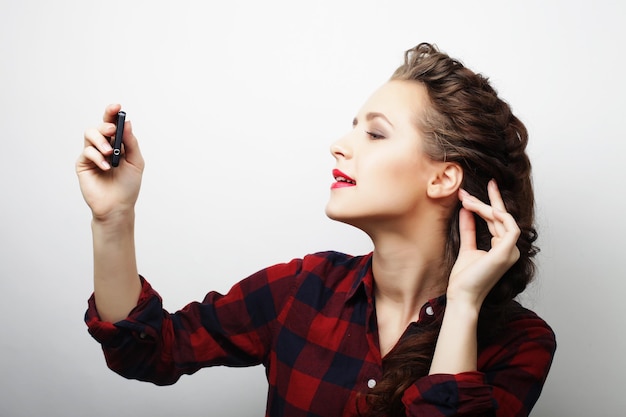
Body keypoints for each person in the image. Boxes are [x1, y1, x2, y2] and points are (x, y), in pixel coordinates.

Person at [77, 43, 556, 417]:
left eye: (375, 132)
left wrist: (464, 305)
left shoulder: (521, 343)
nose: (338, 146)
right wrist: (113, 218)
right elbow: (150, 350)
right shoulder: (302, 289)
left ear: (442, 177)